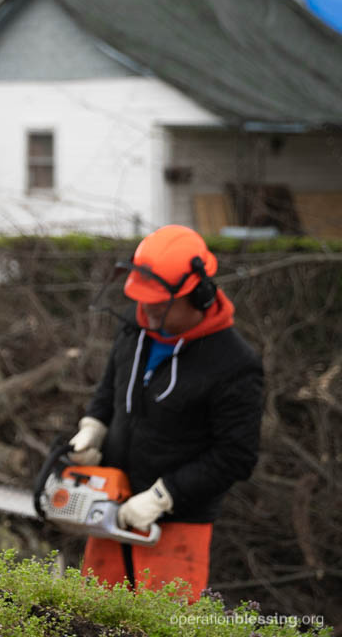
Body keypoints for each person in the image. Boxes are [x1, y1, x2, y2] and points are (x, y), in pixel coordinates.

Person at [69, 224, 262, 601]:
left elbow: (236, 456)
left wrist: (164, 496)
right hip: (109, 506)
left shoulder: (234, 364)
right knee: (89, 617)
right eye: (143, 300)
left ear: (200, 295)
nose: (147, 309)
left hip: (175, 529)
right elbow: (110, 387)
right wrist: (93, 426)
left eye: (158, 302)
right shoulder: (136, 327)